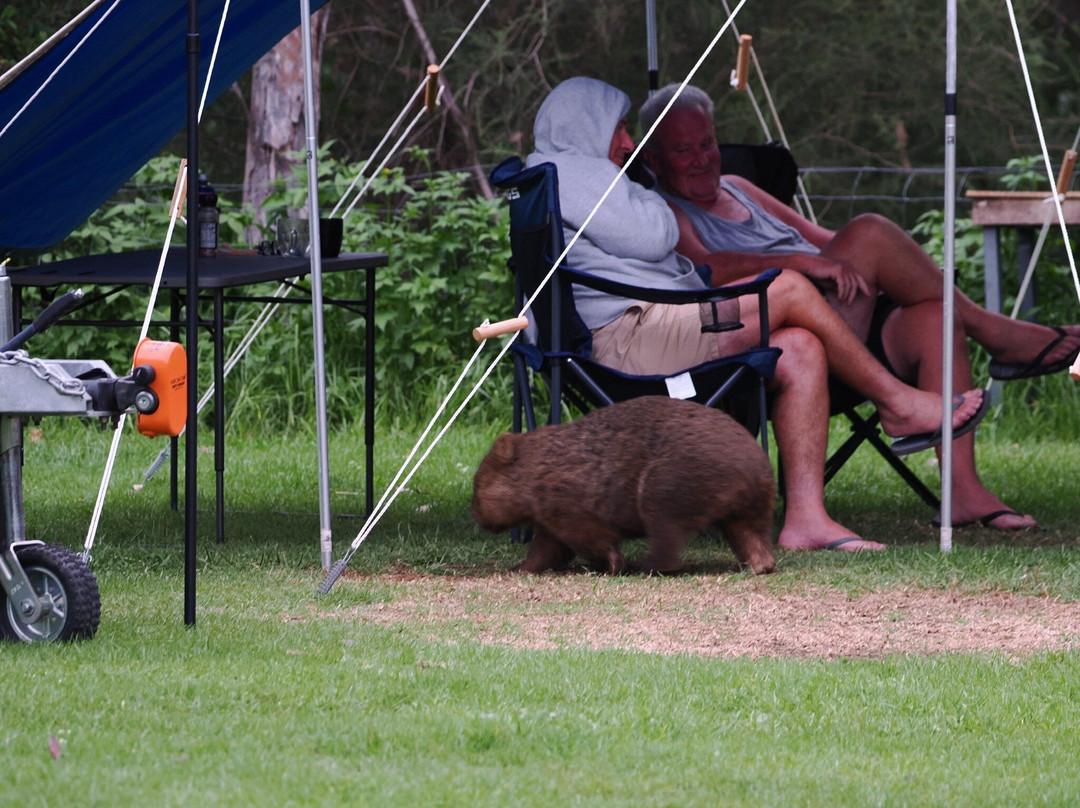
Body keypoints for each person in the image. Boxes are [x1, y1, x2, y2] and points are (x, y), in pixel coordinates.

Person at [526, 76, 988, 552]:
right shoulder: (572, 172)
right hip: (630, 336)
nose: (627, 142)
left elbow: (648, 233)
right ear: (584, 127)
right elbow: (651, 235)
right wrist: (648, 199)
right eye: (617, 128)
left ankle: (806, 519)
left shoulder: (575, 177)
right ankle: (896, 403)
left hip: (657, 325)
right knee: (785, 287)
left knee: (799, 347)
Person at [638, 83, 1080, 531]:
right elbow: (708, 268)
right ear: (653, 160)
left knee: (934, 316)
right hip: (784, 339)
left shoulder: (739, 186)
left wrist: (886, 270)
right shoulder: (663, 211)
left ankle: (962, 491)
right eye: (682, 150)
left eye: (707, 142)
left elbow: (825, 242)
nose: (702, 158)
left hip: (847, 315)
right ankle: (1000, 336)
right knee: (868, 231)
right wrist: (800, 263)